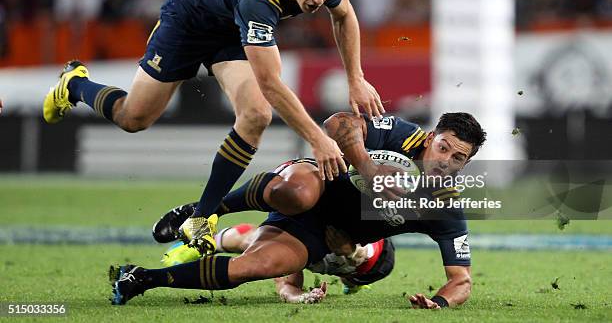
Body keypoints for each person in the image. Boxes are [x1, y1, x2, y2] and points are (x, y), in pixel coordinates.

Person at [42, 0, 384, 254]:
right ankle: (73, 83)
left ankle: (200, 219)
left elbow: (344, 16)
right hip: (189, 22)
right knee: (134, 118)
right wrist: (317, 139)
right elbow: (270, 84)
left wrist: (356, 78)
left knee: (256, 116)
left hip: (232, 30)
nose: (317, 0)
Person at [109, 111, 486, 309]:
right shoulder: (401, 134)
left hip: (314, 235)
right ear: (432, 136)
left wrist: (437, 303)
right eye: (443, 147)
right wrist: (369, 170)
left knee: (254, 267)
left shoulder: (444, 206)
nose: (446, 161)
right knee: (299, 193)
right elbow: (337, 123)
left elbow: (461, 281)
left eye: (458, 158)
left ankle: (141, 279)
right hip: (311, 179)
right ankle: (207, 209)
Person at [159, 222, 395, 303]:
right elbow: (363, 252)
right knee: (255, 242)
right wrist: (353, 252)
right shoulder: (357, 247)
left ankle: (355, 282)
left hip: (339, 254)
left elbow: (288, 287)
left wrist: (299, 296)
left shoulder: (359, 259)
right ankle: (198, 243)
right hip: (302, 223)